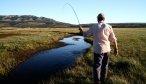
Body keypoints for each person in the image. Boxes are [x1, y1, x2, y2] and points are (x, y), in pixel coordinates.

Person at [79, 13, 118, 84]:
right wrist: (116, 49)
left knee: (97, 66)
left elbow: (85, 34)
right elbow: (114, 39)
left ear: (97, 19)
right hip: (107, 49)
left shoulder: (94, 26)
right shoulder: (109, 26)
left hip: (98, 50)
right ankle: (103, 80)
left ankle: (97, 82)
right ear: (104, 19)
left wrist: (81, 30)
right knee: (105, 66)